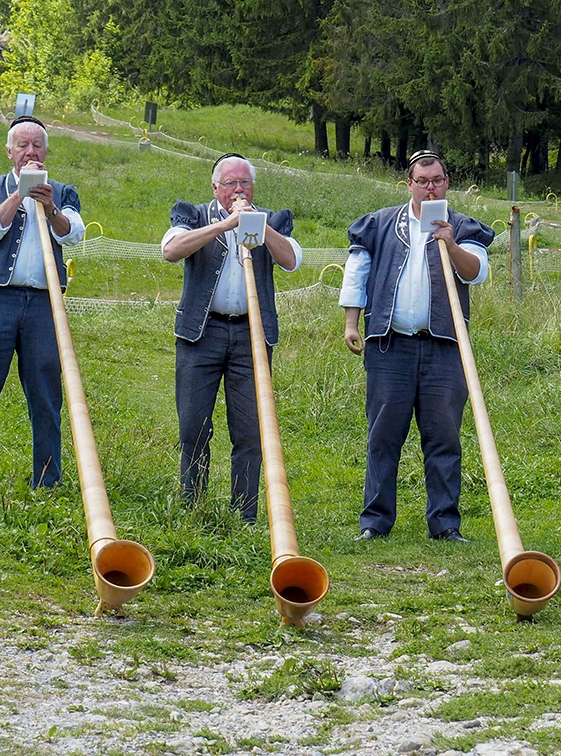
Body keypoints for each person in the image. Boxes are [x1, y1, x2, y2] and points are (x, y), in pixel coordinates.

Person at [340, 150, 495, 542]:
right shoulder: (378, 223)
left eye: (438, 180)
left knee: (444, 437)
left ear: (446, 182)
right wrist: (351, 324)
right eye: (423, 181)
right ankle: (375, 522)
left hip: (445, 347)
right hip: (390, 346)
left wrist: (451, 242)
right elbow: (357, 273)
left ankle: (445, 524)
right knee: (383, 435)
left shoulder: (461, 225)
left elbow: (476, 273)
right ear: (409, 184)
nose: (430, 188)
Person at [162, 154, 302, 523]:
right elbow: (171, 250)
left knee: (250, 430)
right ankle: (192, 507)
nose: (238, 190)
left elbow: (290, 260)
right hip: (200, 334)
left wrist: (257, 225)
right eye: (230, 184)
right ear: (215, 188)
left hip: (251, 336)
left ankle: (244, 514)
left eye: (245, 184)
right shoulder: (192, 213)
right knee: (193, 425)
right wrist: (225, 225)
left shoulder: (273, 218)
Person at [0, 116, 86, 487]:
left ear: (46, 151)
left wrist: (51, 207)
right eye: (22, 145)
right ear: (9, 151)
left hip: (45, 305)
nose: (30, 152)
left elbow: (73, 235)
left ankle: (47, 480)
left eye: (37, 145)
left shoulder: (63, 191)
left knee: (46, 393)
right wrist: (20, 194)